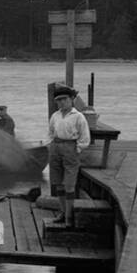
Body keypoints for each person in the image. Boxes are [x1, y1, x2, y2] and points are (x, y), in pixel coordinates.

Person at [47, 85, 91, 225]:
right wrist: (50, 146)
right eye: (58, 100)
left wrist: (76, 150)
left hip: (70, 147)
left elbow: (85, 138)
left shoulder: (78, 117)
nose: (61, 103)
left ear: (71, 99)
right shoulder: (55, 116)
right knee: (58, 183)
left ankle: (69, 217)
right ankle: (62, 212)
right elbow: (50, 133)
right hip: (56, 147)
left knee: (69, 185)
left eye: (64, 99)